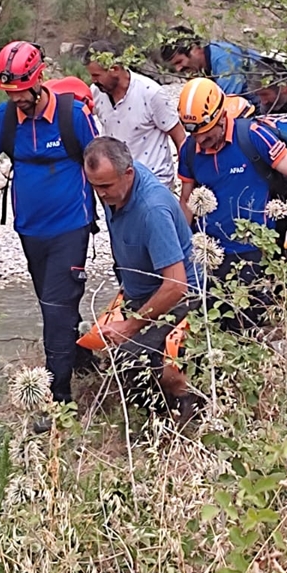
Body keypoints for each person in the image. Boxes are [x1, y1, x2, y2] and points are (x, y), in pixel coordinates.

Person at [0, 40, 100, 428]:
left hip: (71, 227)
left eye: (22, 90)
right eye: (10, 92)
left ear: (39, 80)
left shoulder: (73, 117)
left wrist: (122, 212)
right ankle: (80, 356)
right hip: (30, 231)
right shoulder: (4, 119)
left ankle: (59, 400)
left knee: (55, 307)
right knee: (51, 304)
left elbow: (103, 164)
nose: (17, 98)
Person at [81, 136, 203, 423]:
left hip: (182, 299)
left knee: (129, 361)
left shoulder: (152, 210)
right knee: (106, 351)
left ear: (129, 173)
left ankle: (180, 412)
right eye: (94, 186)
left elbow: (176, 285)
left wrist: (132, 325)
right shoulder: (117, 190)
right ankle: (157, 415)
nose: (100, 194)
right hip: (141, 292)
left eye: (106, 186)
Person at [175, 78, 287, 329]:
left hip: (256, 249)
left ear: (221, 116)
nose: (201, 142)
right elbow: (186, 199)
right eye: (195, 136)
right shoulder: (190, 149)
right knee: (216, 326)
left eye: (206, 135)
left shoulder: (252, 136)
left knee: (254, 327)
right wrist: (182, 246)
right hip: (210, 253)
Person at [85, 41, 186, 188]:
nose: (93, 80)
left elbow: (179, 136)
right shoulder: (96, 92)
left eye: (97, 75)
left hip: (154, 184)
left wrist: (186, 180)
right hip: (116, 185)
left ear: (115, 69)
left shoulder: (150, 93)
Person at [159, 25, 271, 106]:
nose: (178, 69)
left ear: (194, 49)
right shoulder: (205, 65)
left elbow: (226, 105)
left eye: (179, 62)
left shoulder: (224, 59)